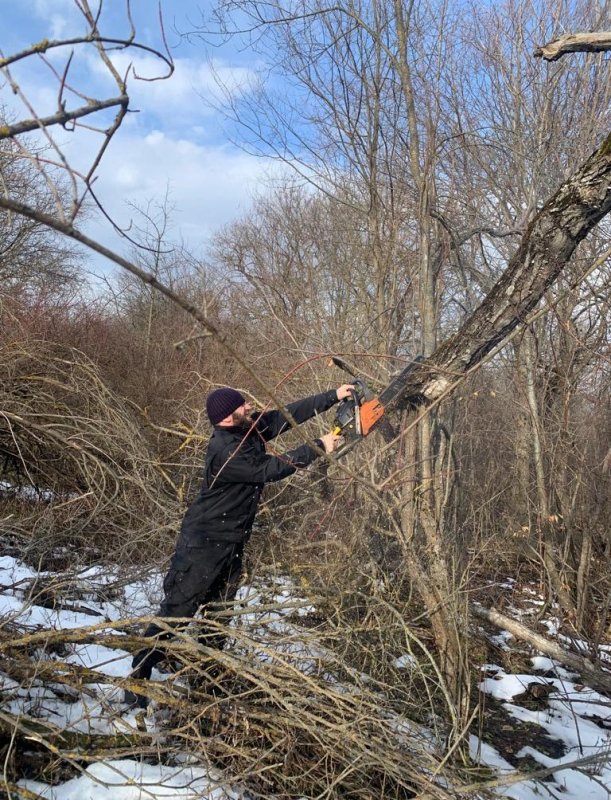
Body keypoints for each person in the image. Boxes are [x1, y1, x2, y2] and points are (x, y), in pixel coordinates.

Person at [124, 383, 353, 706]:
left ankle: (205, 686)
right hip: (202, 545)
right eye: (242, 406)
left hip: (230, 545)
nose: (249, 407)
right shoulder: (226, 450)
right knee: (177, 615)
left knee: (218, 619)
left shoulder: (247, 430)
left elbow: (282, 418)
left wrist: (333, 397)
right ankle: (137, 683)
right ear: (227, 418)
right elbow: (269, 470)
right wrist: (318, 446)